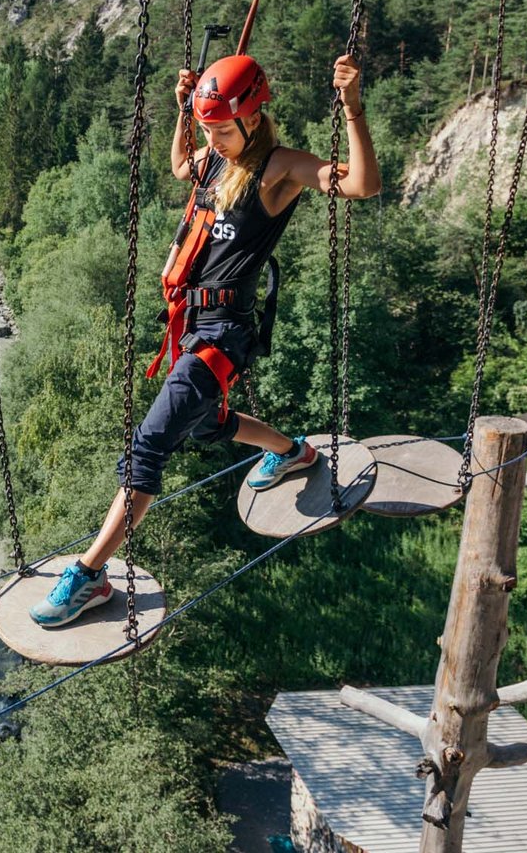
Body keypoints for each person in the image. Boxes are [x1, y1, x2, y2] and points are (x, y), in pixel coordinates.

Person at [29, 52, 381, 627]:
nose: (211, 143)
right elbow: (178, 166)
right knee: (207, 423)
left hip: (224, 332)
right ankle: (293, 453)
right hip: (191, 321)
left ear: (252, 118)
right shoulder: (216, 159)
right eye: (207, 131)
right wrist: (181, 114)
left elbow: (363, 185)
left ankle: (89, 576)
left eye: (221, 131)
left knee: (148, 447)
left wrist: (352, 108)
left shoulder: (278, 168)